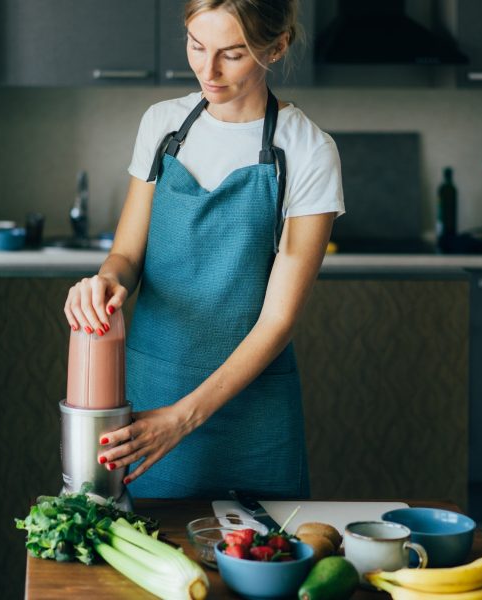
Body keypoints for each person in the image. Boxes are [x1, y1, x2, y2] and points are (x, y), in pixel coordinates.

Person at [63, 0, 344, 499]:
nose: (207, 71)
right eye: (196, 46)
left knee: (262, 562)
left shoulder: (307, 150)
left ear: (276, 47)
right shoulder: (162, 126)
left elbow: (279, 320)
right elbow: (126, 256)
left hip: (251, 413)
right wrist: (106, 281)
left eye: (232, 54)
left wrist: (184, 417)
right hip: (151, 395)